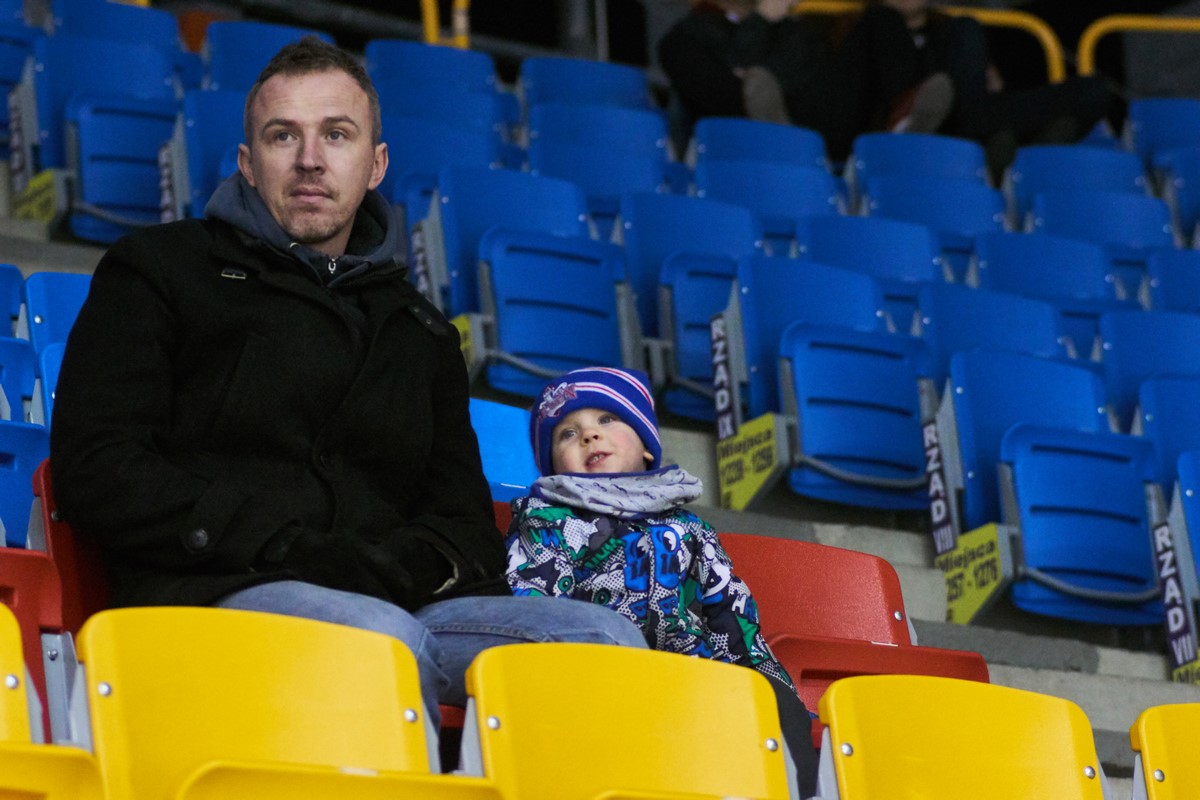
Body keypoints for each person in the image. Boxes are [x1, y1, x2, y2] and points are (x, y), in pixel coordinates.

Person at [48, 36, 646, 759]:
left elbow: (464, 525)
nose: (310, 159)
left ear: (375, 164)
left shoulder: (421, 329)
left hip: (395, 602)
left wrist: (400, 566)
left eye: (336, 134)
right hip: (208, 588)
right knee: (380, 642)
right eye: (283, 136)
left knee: (602, 638)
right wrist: (284, 546)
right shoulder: (159, 270)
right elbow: (99, 465)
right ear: (247, 162)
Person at [504, 366, 819, 795]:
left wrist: (767, 684)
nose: (589, 435)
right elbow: (536, 610)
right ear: (552, 464)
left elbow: (732, 616)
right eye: (567, 434)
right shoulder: (548, 520)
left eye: (607, 419)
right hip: (600, 676)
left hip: (694, 679)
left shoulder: (688, 527)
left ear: (647, 447)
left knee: (773, 700)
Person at [658, 0, 954, 162]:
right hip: (745, 142)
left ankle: (902, 122)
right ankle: (782, 139)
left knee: (880, 17)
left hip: (818, 124)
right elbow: (727, 90)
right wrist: (762, 21)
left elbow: (806, 76)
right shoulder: (685, 36)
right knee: (757, 86)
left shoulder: (794, 27)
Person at [877, 0, 1114, 179]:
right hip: (934, 130)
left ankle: (1018, 153)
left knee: (1093, 90)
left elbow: (984, 89)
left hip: (975, 114)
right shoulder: (870, 27)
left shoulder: (947, 28)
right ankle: (1015, 154)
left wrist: (985, 77)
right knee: (966, 27)